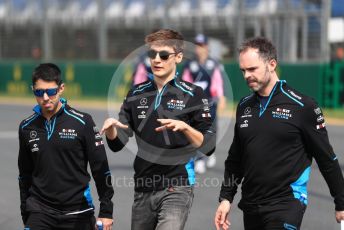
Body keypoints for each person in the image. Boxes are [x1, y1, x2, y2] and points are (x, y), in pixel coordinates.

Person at [214, 37, 344, 230]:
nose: (246, 75)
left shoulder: (303, 106)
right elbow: (236, 158)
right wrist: (226, 197)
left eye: (252, 69)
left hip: (287, 203)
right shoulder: (244, 105)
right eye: (243, 71)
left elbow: (326, 157)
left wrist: (341, 202)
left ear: (272, 64)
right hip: (251, 205)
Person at [101, 29, 215, 230]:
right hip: (143, 187)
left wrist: (186, 128)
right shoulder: (136, 94)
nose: (156, 60)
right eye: (152, 54)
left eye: (163, 55)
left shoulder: (194, 94)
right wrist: (111, 130)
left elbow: (209, 145)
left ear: (178, 57)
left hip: (177, 185)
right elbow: (118, 144)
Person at [18, 63, 114, 230]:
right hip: (40, 211)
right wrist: (25, 212)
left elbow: (101, 168)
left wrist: (106, 211)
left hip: (78, 211)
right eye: (39, 92)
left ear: (61, 88)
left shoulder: (83, 122)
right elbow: (24, 175)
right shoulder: (26, 127)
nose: (46, 97)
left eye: (51, 91)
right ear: (32, 89)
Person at [181, 33, 226, 174]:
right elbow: (185, 82)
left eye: (202, 46)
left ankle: (209, 152)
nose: (199, 49)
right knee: (197, 129)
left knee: (211, 130)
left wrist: (221, 97)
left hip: (210, 103)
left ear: (207, 47)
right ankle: (199, 159)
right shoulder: (190, 64)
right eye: (197, 46)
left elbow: (218, 83)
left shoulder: (214, 64)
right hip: (195, 104)